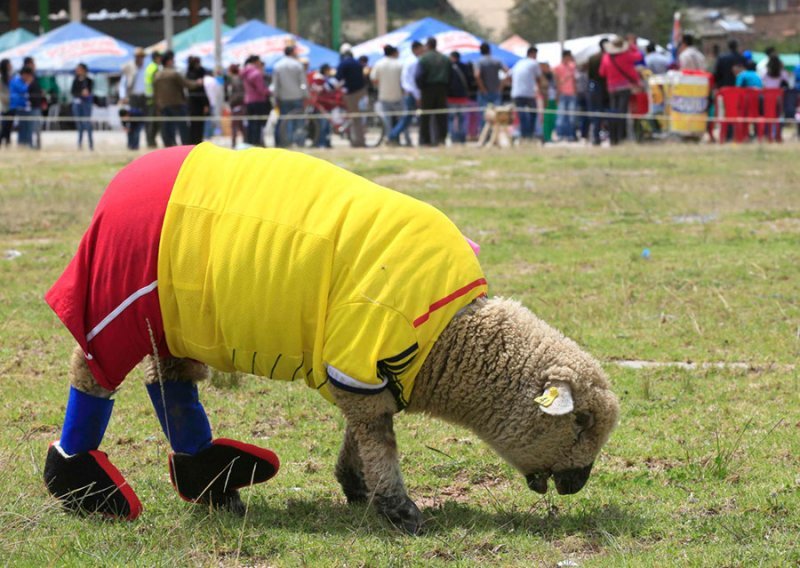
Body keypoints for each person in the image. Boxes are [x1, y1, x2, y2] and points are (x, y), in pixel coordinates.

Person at [599, 35, 642, 146]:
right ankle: (621, 137)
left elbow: (602, 73)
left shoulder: (606, 57)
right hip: (624, 88)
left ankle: (613, 138)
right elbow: (639, 56)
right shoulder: (626, 55)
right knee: (622, 113)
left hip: (611, 88)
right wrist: (632, 46)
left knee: (613, 113)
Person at [415, 37, 451, 146]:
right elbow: (451, 75)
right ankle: (441, 139)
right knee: (441, 116)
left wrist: (421, 87)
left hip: (427, 89)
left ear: (428, 45)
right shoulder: (445, 58)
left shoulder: (424, 59)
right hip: (442, 89)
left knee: (425, 116)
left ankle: (425, 140)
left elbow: (419, 76)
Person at [153, 51, 193, 147]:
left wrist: (157, 106)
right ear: (168, 61)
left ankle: (169, 148)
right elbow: (188, 84)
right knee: (183, 129)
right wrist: (199, 82)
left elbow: (155, 92)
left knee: (167, 130)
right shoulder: (174, 74)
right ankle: (185, 148)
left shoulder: (157, 75)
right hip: (177, 105)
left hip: (163, 106)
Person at [389, 40, 423, 146]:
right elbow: (413, 81)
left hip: (408, 93)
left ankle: (394, 137)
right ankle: (392, 136)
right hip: (411, 94)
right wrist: (418, 96)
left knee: (407, 118)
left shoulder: (409, 60)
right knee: (406, 118)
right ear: (416, 49)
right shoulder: (414, 62)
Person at [272, 45, 308, 147]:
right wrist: (306, 95)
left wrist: (275, 97)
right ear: (292, 52)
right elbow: (303, 83)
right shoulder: (297, 65)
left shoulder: (277, 65)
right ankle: (299, 143)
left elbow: (275, 85)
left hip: (284, 98)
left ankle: (287, 143)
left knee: (286, 122)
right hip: (297, 97)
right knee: (299, 121)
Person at [370, 45, 404, 145]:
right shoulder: (399, 64)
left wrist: (380, 85)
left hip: (383, 95)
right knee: (400, 119)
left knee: (387, 120)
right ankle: (397, 138)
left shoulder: (379, 64)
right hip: (398, 95)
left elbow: (373, 78)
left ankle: (389, 138)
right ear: (393, 52)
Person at [337, 46, 367, 147]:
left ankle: (358, 142)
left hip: (352, 94)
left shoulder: (344, 63)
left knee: (355, 119)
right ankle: (357, 139)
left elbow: (338, 78)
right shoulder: (357, 63)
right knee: (358, 118)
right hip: (362, 92)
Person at [510, 46, 541, 143]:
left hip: (516, 93)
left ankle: (525, 135)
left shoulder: (519, 63)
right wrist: (539, 89)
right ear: (532, 54)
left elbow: (509, 75)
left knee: (522, 115)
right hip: (528, 93)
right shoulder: (534, 63)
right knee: (531, 114)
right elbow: (539, 78)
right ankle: (529, 135)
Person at [120, 47, 148, 150]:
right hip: (132, 98)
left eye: (141, 56)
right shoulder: (129, 67)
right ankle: (131, 144)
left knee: (140, 123)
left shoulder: (146, 67)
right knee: (130, 123)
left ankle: (135, 144)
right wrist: (123, 97)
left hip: (143, 98)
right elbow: (123, 83)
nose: (140, 58)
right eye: (138, 56)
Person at [474, 42, 506, 128]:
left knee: (484, 116)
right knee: (497, 116)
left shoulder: (479, 61)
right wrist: (501, 87)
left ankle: (485, 137)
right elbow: (507, 72)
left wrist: (482, 88)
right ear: (489, 50)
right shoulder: (497, 61)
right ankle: (496, 136)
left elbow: (477, 75)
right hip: (496, 92)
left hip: (484, 93)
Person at [242, 55, 270, 147]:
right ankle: (256, 143)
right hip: (258, 101)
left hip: (248, 100)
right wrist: (269, 92)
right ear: (256, 61)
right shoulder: (256, 73)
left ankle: (249, 142)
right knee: (257, 124)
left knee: (250, 123)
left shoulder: (245, 72)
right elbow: (261, 89)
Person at [447, 51, 475, 144]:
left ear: (452, 57)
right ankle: (462, 138)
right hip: (463, 97)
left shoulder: (448, 68)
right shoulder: (465, 67)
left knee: (451, 119)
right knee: (462, 119)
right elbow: (470, 81)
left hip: (451, 97)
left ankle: (453, 138)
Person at [586, 38, 609, 146]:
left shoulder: (592, 58)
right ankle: (611, 136)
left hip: (595, 88)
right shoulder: (609, 57)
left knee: (596, 114)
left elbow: (589, 76)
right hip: (606, 89)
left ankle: (596, 137)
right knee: (609, 113)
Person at [554, 50, 578, 141]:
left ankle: (570, 135)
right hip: (562, 94)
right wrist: (558, 94)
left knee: (571, 117)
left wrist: (575, 92)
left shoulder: (572, 66)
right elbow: (557, 82)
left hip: (572, 94)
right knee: (561, 116)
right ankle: (560, 135)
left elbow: (575, 81)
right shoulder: (557, 68)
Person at [185, 56, 209, 145]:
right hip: (197, 104)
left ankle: (194, 143)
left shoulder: (189, 73)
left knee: (195, 125)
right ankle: (196, 143)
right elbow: (201, 91)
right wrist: (206, 104)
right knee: (197, 125)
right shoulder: (196, 75)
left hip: (193, 104)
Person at [70, 63, 94, 151]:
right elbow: (73, 92)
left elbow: (90, 91)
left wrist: (86, 94)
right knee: (79, 125)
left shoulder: (89, 80)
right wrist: (81, 94)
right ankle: (79, 144)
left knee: (87, 124)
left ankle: (91, 144)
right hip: (77, 104)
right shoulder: (75, 80)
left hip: (86, 104)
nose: (77, 70)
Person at [9, 66, 33, 147]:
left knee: (26, 126)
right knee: (22, 127)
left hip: (24, 107)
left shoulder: (20, 81)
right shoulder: (16, 81)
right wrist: (28, 83)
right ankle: (21, 143)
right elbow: (23, 90)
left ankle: (25, 143)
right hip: (18, 107)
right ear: (24, 74)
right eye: (28, 76)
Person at [24, 57, 43, 149]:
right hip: (30, 106)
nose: (34, 65)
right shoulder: (25, 78)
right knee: (31, 127)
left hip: (36, 105)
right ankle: (30, 144)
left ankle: (37, 144)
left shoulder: (35, 77)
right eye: (32, 63)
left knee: (36, 127)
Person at [144, 51, 162, 148]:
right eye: (159, 58)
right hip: (154, 98)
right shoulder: (155, 68)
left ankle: (150, 141)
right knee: (154, 121)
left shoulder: (149, 67)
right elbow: (157, 84)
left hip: (148, 97)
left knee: (151, 121)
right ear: (156, 58)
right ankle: (151, 141)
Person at [227, 64, 246, 147]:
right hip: (238, 104)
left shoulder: (235, 79)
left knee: (236, 124)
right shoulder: (237, 79)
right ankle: (243, 141)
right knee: (240, 125)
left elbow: (238, 94)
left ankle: (234, 143)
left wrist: (232, 102)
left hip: (237, 105)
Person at [0, 59, 12, 148]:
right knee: (4, 126)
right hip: (3, 105)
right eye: (9, 64)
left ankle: (7, 143)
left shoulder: (11, 77)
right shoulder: (2, 78)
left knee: (8, 126)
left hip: (11, 105)